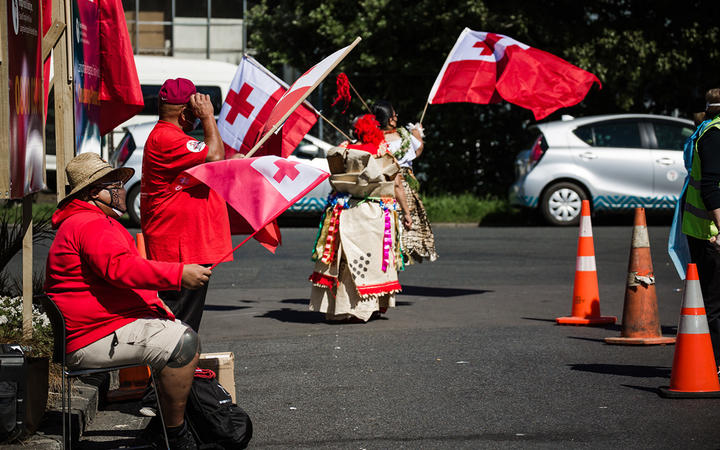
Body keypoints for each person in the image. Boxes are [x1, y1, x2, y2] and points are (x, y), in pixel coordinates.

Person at [45, 153, 211, 449]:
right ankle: (172, 435)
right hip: (90, 336)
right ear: (93, 192)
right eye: (115, 184)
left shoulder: (88, 220)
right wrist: (178, 274)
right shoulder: (89, 224)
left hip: (97, 327)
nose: (123, 189)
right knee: (183, 343)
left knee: (174, 333)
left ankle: (162, 428)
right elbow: (122, 269)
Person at [141, 78, 234, 332]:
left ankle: (178, 368)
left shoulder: (168, 137)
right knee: (180, 324)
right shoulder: (167, 138)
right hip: (180, 249)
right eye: (194, 110)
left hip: (185, 245)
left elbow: (211, 164)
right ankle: (175, 371)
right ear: (185, 113)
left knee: (184, 322)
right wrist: (207, 118)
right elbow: (214, 155)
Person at [309, 114, 412, 323]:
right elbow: (397, 183)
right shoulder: (381, 151)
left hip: (345, 211)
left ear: (356, 130)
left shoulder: (344, 149)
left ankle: (340, 308)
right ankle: (367, 308)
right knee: (371, 262)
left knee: (344, 261)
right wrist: (406, 212)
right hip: (373, 212)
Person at [681, 88, 720, 368]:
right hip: (710, 232)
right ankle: (712, 364)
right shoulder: (714, 135)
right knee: (715, 304)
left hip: (704, 229)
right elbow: (710, 188)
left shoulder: (707, 130)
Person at [372, 100, 438, 264]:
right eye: (394, 114)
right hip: (402, 186)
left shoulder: (374, 140)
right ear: (390, 120)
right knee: (404, 226)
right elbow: (418, 150)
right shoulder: (403, 136)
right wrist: (417, 133)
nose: (397, 117)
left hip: (381, 187)